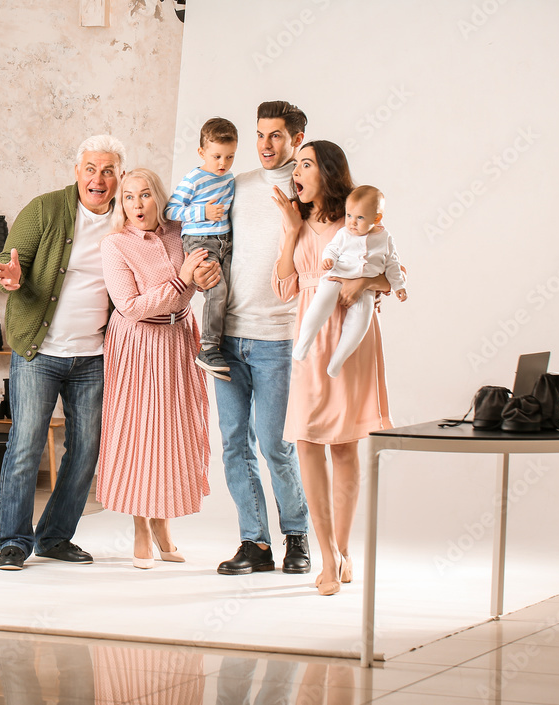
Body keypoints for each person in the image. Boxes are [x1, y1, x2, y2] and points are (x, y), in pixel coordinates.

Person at [0, 135, 126, 571]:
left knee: (86, 449)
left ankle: (54, 536)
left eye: (108, 171)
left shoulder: (125, 219)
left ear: (118, 176)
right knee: (26, 444)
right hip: (40, 350)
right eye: (90, 168)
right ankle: (13, 541)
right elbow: (6, 264)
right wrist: (8, 277)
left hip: (95, 356)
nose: (98, 179)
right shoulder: (46, 209)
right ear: (77, 172)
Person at [272, 140, 395, 595]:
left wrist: (360, 281)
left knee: (343, 446)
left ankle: (342, 551)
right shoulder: (297, 222)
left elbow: (391, 274)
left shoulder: (358, 221)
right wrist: (289, 232)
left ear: (327, 171)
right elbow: (284, 287)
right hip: (310, 338)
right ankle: (326, 556)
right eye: (296, 165)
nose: (297, 171)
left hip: (349, 338)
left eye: (306, 164)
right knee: (306, 441)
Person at [214, 101, 311, 577]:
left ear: (295, 139)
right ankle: (254, 543)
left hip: (277, 339)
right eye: (259, 134)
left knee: (276, 445)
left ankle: (297, 536)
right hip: (228, 337)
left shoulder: (307, 192)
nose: (265, 145)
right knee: (234, 443)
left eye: (275, 136)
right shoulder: (238, 186)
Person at [97, 168, 212, 569]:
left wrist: (199, 277)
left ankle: (163, 525)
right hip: (137, 343)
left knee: (171, 433)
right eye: (128, 197)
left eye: (145, 195)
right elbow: (130, 307)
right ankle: (141, 527)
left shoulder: (180, 230)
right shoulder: (114, 245)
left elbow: (200, 277)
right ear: (121, 203)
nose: (137, 204)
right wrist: (182, 281)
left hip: (179, 339)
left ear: (158, 197)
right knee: (139, 432)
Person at [293, 185, 407, 378]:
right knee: (320, 304)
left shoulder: (385, 238)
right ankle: (303, 343)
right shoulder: (344, 234)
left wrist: (399, 286)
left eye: (360, 218)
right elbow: (332, 249)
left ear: (376, 219)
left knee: (360, 323)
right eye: (349, 216)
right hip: (336, 276)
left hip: (365, 290)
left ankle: (338, 360)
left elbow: (393, 265)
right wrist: (327, 260)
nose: (352, 222)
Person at [165, 117, 238, 380]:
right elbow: (171, 211)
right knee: (216, 290)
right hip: (200, 241)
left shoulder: (229, 179)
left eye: (230, 157)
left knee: (229, 291)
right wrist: (202, 211)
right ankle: (207, 348)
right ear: (201, 152)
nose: (223, 163)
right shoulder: (194, 178)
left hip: (224, 240)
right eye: (217, 156)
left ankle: (221, 343)